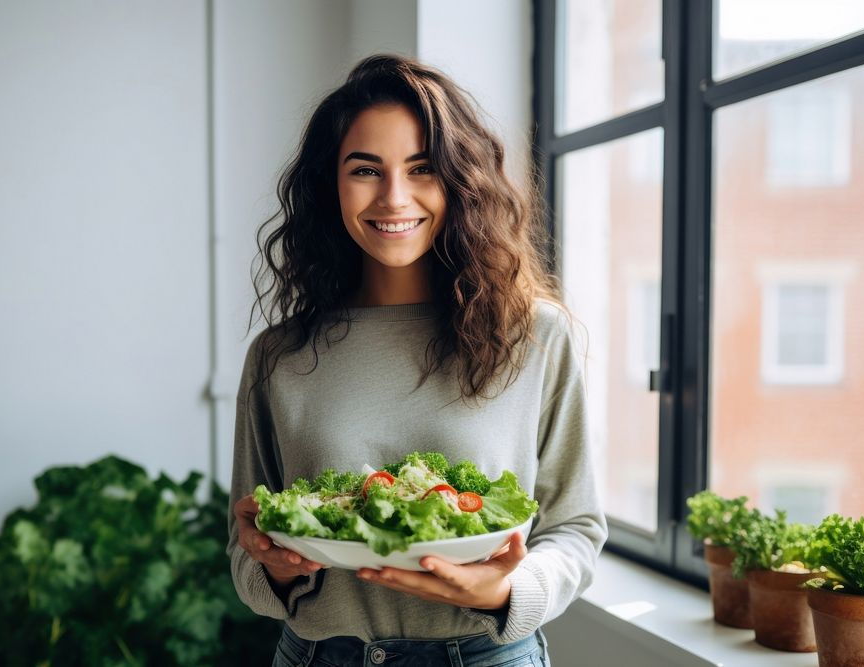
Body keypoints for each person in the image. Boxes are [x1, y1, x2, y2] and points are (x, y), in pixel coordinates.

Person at [227, 53, 606, 666]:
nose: (394, 197)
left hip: (486, 654)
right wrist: (274, 569)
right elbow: (246, 557)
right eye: (366, 170)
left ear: (460, 180)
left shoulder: (534, 335)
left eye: (422, 168)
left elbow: (576, 528)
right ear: (333, 184)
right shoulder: (278, 356)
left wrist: (508, 590)